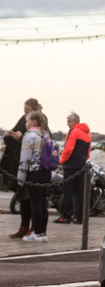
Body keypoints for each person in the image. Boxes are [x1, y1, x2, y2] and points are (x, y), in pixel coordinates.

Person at [1, 98, 46, 238]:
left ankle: (36, 230)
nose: (25, 117)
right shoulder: (33, 129)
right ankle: (28, 227)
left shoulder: (34, 132)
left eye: (28, 113)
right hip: (33, 169)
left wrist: (21, 138)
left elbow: (28, 153)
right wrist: (9, 136)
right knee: (26, 200)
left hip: (30, 171)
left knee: (36, 202)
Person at [17, 111, 52, 242]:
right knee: (43, 203)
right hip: (46, 173)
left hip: (34, 173)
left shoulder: (29, 136)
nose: (25, 123)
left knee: (35, 204)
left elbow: (24, 159)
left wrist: (21, 178)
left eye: (27, 121)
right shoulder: (46, 135)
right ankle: (43, 232)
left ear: (34, 122)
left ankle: (36, 233)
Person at [54, 113, 91, 224]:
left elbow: (68, 149)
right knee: (80, 192)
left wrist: (61, 161)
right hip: (81, 166)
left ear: (74, 121)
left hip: (70, 166)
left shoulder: (73, 131)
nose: (67, 124)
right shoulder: (87, 134)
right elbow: (88, 153)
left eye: (68, 121)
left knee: (67, 191)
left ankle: (66, 215)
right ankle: (79, 216)